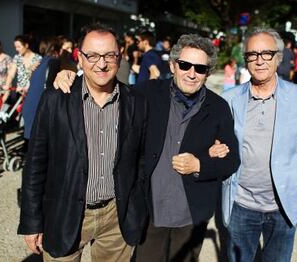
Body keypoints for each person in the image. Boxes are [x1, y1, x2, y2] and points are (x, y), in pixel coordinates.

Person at [53, 33, 240, 262]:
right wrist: (72, 75)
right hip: (149, 211)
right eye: (185, 65)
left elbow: (232, 161)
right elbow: (105, 86)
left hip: (191, 215)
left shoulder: (218, 107)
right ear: (173, 65)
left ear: (208, 73)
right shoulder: (147, 93)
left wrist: (201, 163)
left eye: (200, 68)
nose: (192, 73)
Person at [17, 24, 148, 261]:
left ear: (120, 55)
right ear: (79, 56)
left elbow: (141, 158)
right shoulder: (56, 99)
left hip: (116, 219)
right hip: (65, 213)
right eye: (93, 55)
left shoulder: (135, 101)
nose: (101, 64)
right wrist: (31, 222)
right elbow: (35, 163)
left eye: (109, 55)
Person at [221, 28, 297, 262]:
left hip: (283, 205)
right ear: (245, 59)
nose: (259, 60)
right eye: (252, 54)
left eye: (266, 53)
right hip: (241, 204)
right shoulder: (230, 99)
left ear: (278, 57)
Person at [22, 37, 61, 147]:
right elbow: (50, 88)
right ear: (54, 49)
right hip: (40, 108)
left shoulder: (39, 63)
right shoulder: (54, 62)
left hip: (30, 106)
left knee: (31, 145)